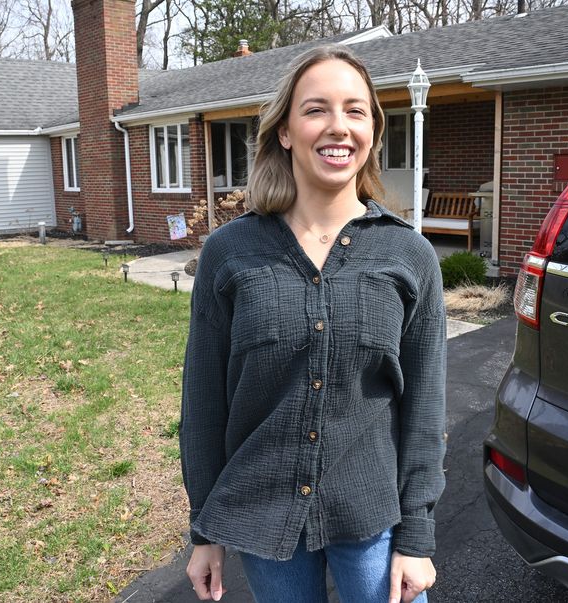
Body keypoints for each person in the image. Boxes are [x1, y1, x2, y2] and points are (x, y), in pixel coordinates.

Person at [180, 44, 446, 603]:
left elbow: (424, 405)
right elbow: (204, 401)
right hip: (262, 509)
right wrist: (203, 530)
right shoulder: (230, 253)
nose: (338, 126)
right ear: (284, 131)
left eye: (355, 110)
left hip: (374, 515)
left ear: (372, 130)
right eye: (316, 109)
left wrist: (417, 536)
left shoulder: (409, 255)